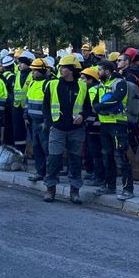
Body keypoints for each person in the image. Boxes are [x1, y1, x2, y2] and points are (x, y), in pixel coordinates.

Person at [41, 55, 87, 203]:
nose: (61, 69)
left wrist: (82, 116)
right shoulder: (52, 85)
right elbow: (46, 106)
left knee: (75, 160)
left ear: (72, 70)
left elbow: (88, 107)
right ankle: (50, 189)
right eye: (60, 67)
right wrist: (49, 123)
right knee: (53, 159)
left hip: (76, 129)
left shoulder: (82, 86)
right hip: (57, 128)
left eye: (64, 67)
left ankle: (74, 191)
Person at [94, 60, 133, 199]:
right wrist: (97, 106)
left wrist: (99, 106)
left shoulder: (119, 82)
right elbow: (95, 100)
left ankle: (128, 189)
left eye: (100, 69)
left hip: (117, 123)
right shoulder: (101, 84)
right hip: (104, 123)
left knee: (120, 156)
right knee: (107, 155)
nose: (97, 72)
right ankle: (110, 186)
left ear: (107, 71)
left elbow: (116, 99)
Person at [25, 58, 51, 182]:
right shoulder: (32, 83)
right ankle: (40, 172)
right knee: (37, 148)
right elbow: (28, 100)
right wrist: (26, 115)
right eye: (32, 70)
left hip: (43, 122)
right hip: (33, 122)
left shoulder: (48, 84)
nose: (33, 73)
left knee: (47, 148)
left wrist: (47, 121)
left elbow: (51, 104)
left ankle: (50, 174)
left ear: (42, 71)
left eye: (35, 71)